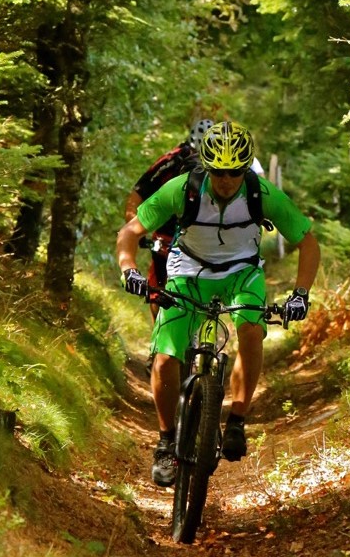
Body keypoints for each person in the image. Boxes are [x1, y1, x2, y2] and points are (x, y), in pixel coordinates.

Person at [116, 121, 320, 487]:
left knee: (251, 330)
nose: (227, 180)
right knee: (165, 357)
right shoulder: (183, 188)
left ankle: (238, 421)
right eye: (219, 172)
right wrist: (128, 269)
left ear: (246, 168)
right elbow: (131, 231)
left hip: (243, 274)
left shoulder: (262, 193)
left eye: (235, 172)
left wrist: (301, 294)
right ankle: (166, 443)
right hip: (188, 273)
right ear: (206, 167)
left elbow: (308, 241)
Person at [124, 118, 214, 317]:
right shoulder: (172, 160)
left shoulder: (224, 166)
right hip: (166, 234)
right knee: (159, 289)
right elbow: (138, 192)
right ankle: (159, 334)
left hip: (203, 234)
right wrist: (135, 228)